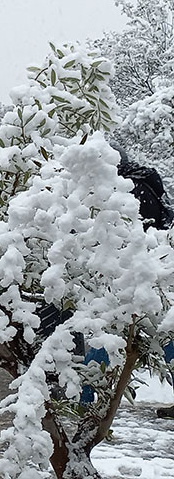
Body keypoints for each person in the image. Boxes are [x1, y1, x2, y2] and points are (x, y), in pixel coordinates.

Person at [79, 147, 174, 418]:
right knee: (165, 338)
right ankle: (86, 398)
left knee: (107, 334)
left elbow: (132, 233)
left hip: (136, 276)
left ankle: (85, 400)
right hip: (152, 274)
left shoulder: (131, 189)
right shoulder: (143, 182)